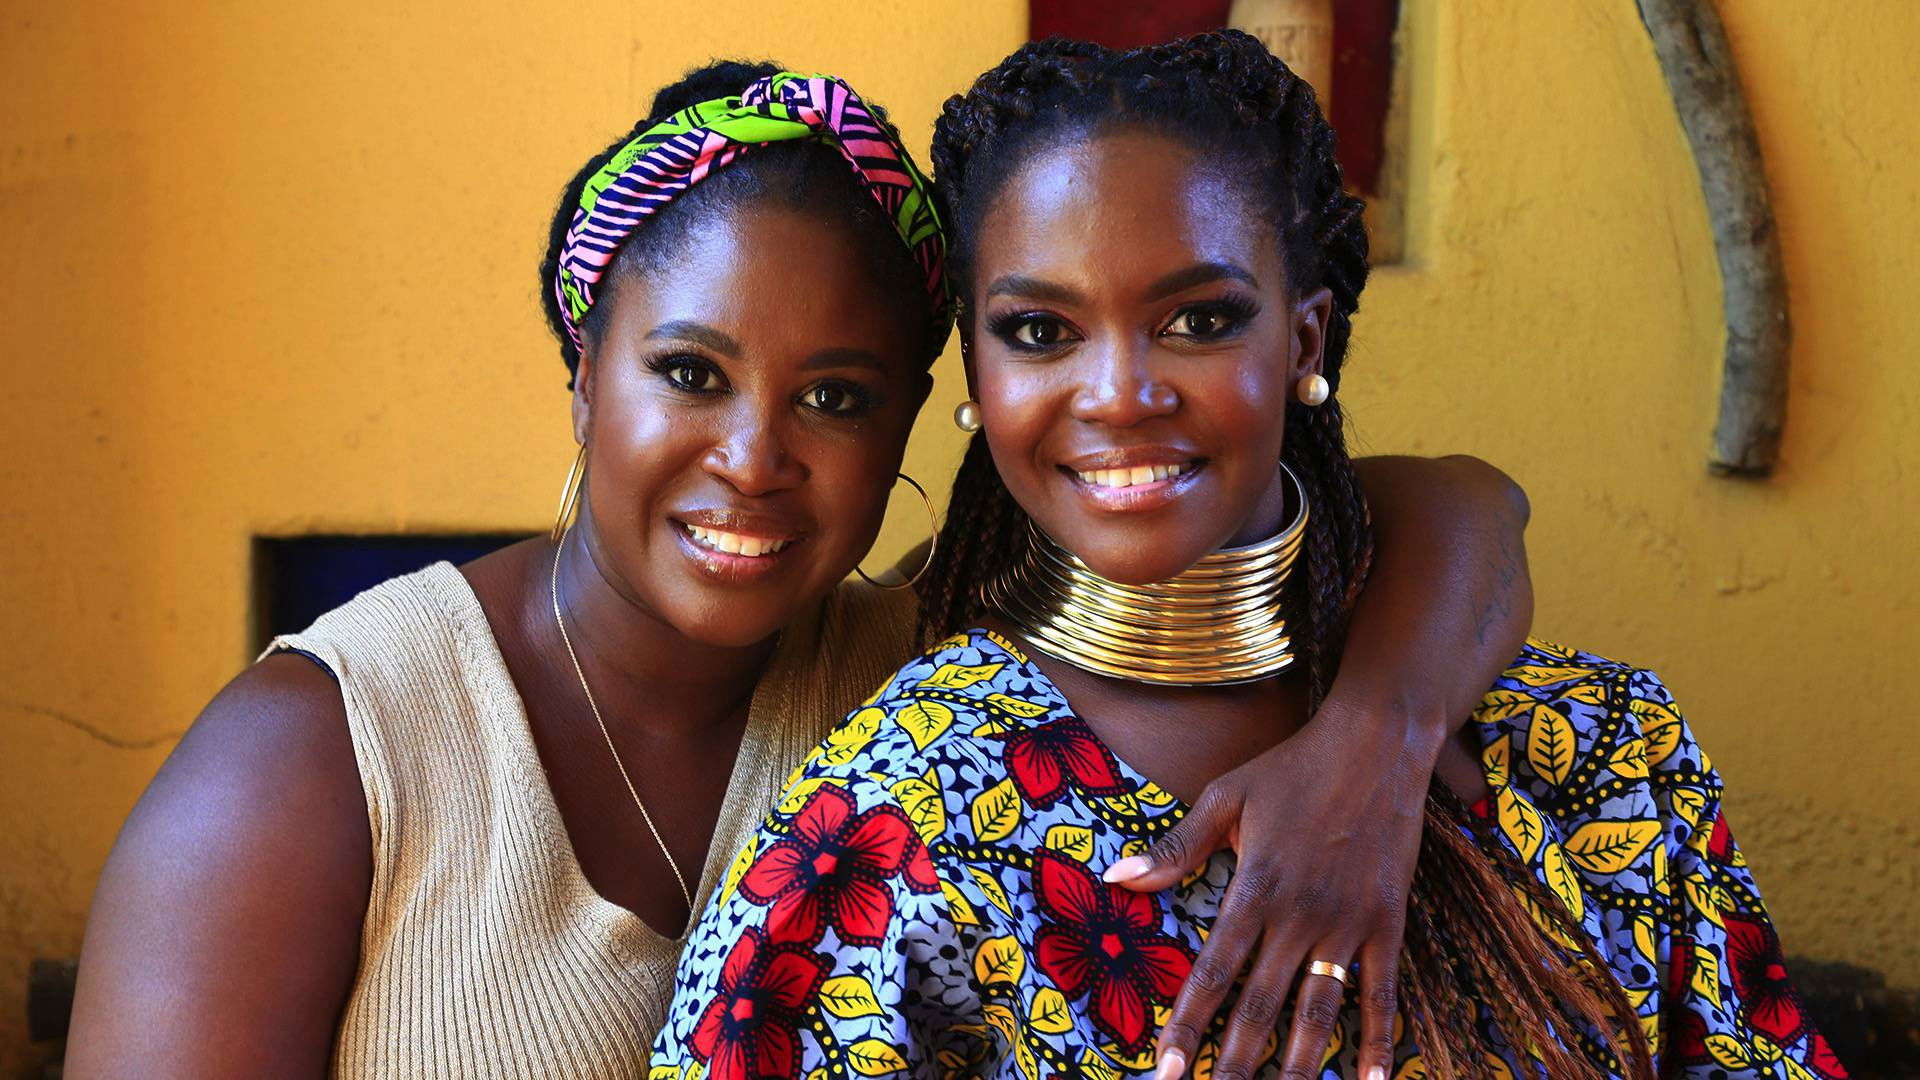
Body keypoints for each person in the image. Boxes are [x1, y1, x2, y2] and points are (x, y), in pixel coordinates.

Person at [67, 61, 1539, 1079]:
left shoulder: (928, 674)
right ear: (587, 371)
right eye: (692, 372)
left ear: (921, 413)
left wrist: (1378, 740)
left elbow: (1456, 505)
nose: (757, 456)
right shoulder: (319, 758)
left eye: (837, 396)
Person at [647, 35, 1845, 1080]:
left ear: (1305, 336)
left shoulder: (1595, 756)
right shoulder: (892, 829)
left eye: (1201, 318)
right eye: (1039, 331)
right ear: (981, 373)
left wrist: (1383, 737)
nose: (1119, 392)